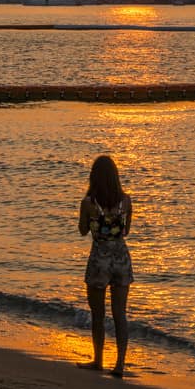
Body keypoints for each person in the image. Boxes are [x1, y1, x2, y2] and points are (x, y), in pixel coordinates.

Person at [77, 155, 134, 377]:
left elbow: (83, 231)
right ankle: (120, 364)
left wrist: (93, 222)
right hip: (121, 258)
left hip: (99, 259)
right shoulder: (126, 201)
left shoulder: (88, 203)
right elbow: (126, 231)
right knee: (120, 314)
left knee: (98, 314)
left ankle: (98, 360)